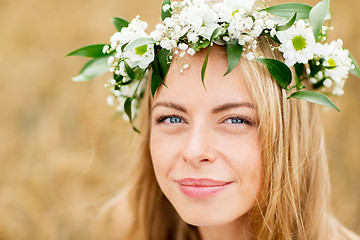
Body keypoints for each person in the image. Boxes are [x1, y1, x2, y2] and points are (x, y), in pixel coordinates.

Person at [68, 0, 360, 239]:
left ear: (289, 133)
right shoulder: (130, 232)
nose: (195, 152)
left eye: (235, 120)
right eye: (171, 118)